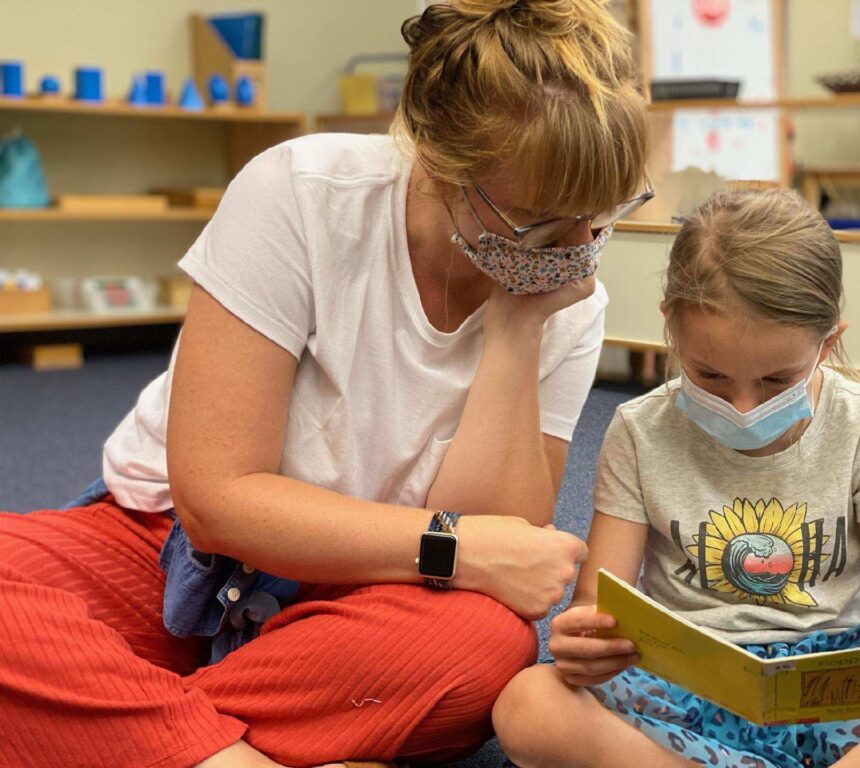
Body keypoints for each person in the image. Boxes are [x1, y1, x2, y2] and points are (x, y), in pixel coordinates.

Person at [0, 2, 652, 766]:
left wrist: (515, 333)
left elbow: (500, 549)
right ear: (441, 166)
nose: (579, 249)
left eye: (600, 215)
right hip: (171, 548)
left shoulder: (565, 296)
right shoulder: (302, 193)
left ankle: (102, 723)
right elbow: (217, 500)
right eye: (540, 220)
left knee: (480, 646)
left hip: (369, 587)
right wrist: (452, 548)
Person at [492, 189, 860, 768]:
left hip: (842, 682)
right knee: (529, 705)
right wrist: (582, 638)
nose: (743, 406)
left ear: (828, 343)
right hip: (684, 680)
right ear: (671, 326)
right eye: (711, 374)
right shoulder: (638, 430)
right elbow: (599, 603)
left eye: (775, 380)